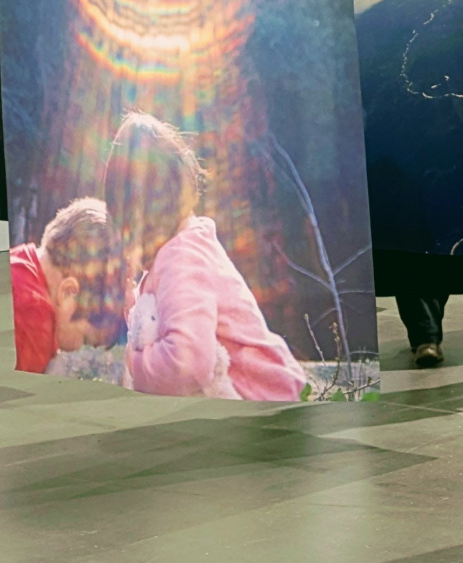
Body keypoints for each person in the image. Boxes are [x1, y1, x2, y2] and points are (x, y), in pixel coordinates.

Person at [102, 112, 309, 402]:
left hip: (263, 402)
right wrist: (131, 305)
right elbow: (161, 322)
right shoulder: (174, 253)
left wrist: (132, 361)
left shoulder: (183, 257)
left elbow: (184, 366)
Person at [9, 197, 122, 373]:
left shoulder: (19, 261)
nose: (76, 348)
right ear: (69, 292)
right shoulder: (33, 322)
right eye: (85, 339)